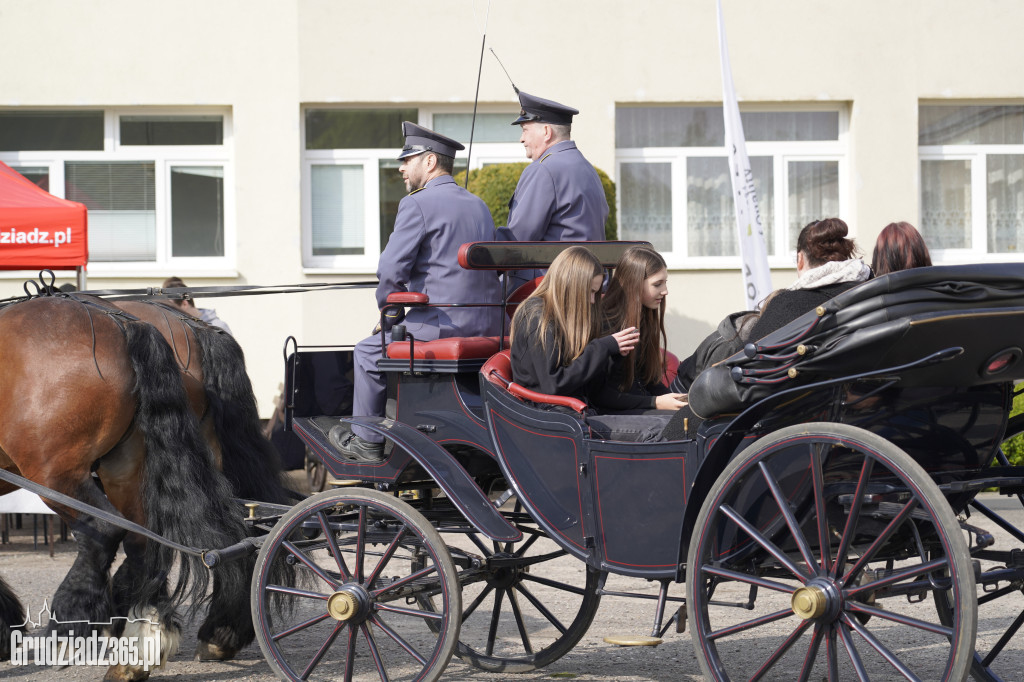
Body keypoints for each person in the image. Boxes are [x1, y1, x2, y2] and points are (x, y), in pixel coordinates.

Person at [332, 122, 503, 462]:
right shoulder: (479, 205)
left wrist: (390, 315)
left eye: (407, 159)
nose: (401, 167)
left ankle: (367, 441)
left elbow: (390, 271)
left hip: (441, 324)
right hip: (488, 325)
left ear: (429, 162)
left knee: (367, 352)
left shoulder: (417, 204)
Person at [510, 246, 676, 442]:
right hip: (553, 418)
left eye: (596, 293)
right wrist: (604, 347)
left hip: (577, 414)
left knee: (676, 422)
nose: (591, 301)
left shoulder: (559, 316)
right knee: (663, 427)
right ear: (570, 285)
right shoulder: (538, 316)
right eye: (589, 291)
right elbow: (553, 384)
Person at [505, 91, 609, 285]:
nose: (521, 139)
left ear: (546, 132)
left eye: (525, 130)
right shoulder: (587, 168)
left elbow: (518, 238)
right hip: (586, 285)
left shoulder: (544, 169)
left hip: (549, 290)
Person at [596, 245, 686, 412]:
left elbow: (648, 380)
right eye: (657, 284)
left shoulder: (644, 317)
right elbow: (602, 397)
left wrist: (678, 404)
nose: (665, 291)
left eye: (665, 283)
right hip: (614, 416)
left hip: (639, 407)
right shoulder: (607, 325)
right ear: (634, 284)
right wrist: (655, 403)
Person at [161, 276, 233, 335]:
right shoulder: (177, 330)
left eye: (171, 308)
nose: (169, 314)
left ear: (184, 304)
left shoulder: (219, 327)